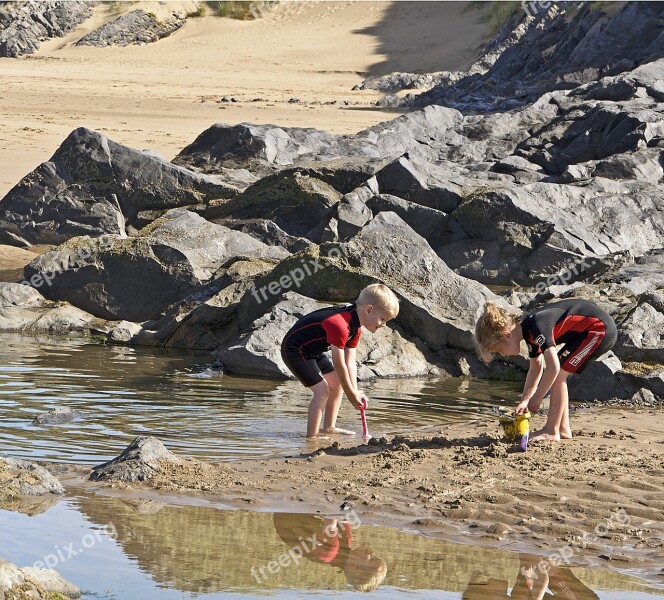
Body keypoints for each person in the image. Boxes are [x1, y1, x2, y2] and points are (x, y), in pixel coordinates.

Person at [475, 299, 617, 442]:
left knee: (559, 374)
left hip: (599, 329)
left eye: (499, 350)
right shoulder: (529, 331)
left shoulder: (536, 325)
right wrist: (524, 400)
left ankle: (551, 431)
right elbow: (535, 368)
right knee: (560, 372)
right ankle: (563, 429)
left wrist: (538, 397)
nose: (503, 355)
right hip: (585, 332)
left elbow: (553, 368)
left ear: (507, 335)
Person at [281, 283, 399, 439]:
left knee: (336, 385)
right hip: (295, 349)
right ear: (369, 309)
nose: (384, 325)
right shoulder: (340, 325)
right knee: (322, 391)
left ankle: (329, 427)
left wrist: (355, 391)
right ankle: (312, 437)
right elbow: (339, 363)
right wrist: (351, 395)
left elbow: (350, 362)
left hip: (314, 350)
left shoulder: (355, 328)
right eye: (383, 319)